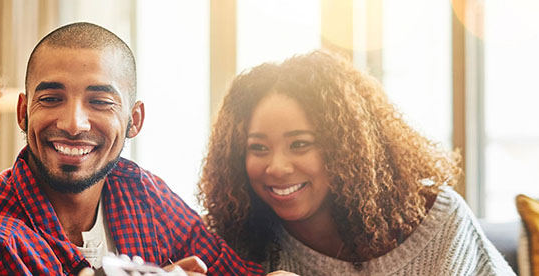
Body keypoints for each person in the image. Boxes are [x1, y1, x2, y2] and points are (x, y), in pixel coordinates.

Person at [0, 22, 265, 276]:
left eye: (100, 102)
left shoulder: (143, 193)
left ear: (134, 120)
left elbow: (234, 270)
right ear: (23, 112)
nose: (74, 125)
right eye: (51, 99)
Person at [198, 50, 515, 275]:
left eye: (300, 144)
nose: (277, 167)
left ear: (346, 147)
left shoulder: (437, 220)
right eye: (258, 147)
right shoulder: (242, 243)